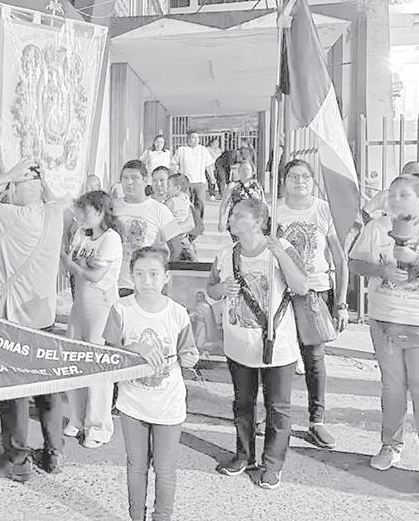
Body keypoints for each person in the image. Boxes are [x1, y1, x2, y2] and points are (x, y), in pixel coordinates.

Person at [0, 159, 64, 482]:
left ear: (16, 189)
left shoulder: (11, 217)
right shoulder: (55, 214)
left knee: (15, 392)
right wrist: (37, 180)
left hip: (14, 320)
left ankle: (19, 459)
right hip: (45, 317)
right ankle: (54, 451)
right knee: (48, 389)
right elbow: (54, 198)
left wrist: (8, 175)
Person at [207, 199, 308, 489]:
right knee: (243, 403)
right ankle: (244, 455)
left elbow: (301, 286)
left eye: (239, 215)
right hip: (239, 345)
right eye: (232, 214)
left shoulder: (281, 248)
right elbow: (211, 289)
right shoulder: (226, 254)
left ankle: (272, 464)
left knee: (278, 407)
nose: (231, 218)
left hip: (277, 344)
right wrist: (221, 289)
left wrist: (281, 254)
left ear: (258, 221)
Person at [104, 246, 198, 521]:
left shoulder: (178, 313)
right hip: (132, 404)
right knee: (136, 466)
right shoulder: (121, 309)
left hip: (168, 404)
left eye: (154, 274)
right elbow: (109, 354)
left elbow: (188, 351)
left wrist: (190, 357)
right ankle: (136, 516)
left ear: (166, 277)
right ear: (131, 276)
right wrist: (135, 348)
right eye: (139, 274)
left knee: (165, 469)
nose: (146, 281)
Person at [277, 159, 349, 449]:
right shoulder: (274, 210)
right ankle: (275, 415)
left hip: (315, 293)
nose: (300, 181)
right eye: (294, 176)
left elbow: (340, 259)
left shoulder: (323, 210)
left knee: (314, 359)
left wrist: (341, 302)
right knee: (278, 357)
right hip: (280, 293)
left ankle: (316, 420)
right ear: (284, 180)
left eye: (305, 176)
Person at [349, 174, 419, 471]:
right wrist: (382, 270)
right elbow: (354, 263)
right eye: (392, 194)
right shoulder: (376, 228)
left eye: (404, 194)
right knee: (393, 386)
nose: (395, 199)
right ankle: (390, 445)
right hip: (385, 319)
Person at [61, 191, 122, 448]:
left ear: (100, 211)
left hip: (102, 305)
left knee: (98, 365)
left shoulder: (111, 238)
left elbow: (96, 276)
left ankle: (98, 426)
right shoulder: (81, 234)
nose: (81, 216)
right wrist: (80, 264)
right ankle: (77, 417)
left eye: (85, 211)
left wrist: (73, 263)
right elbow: (80, 266)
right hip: (80, 303)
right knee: (74, 360)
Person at [113, 160, 181, 297]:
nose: (129, 182)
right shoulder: (112, 207)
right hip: (114, 285)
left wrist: (161, 278)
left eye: (134, 178)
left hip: (145, 288)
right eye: (125, 178)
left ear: (145, 181)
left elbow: (177, 247)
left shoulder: (161, 211)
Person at [172, 131, 214, 224]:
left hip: (199, 181)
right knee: (185, 203)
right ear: (188, 139)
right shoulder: (181, 150)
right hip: (185, 182)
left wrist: (212, 177)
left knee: (200, 203)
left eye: (197, 138)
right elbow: (173, 164)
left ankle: (198, 223)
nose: (195, 140)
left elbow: (208, 165)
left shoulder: (203, 150)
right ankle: (186, 223)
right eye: (193, 137)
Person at [218, 160, 265, 233]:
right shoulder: (233, 186)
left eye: (248, 170)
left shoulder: (257, 186)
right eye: (243, 170)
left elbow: (263, 203)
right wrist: (221, 220)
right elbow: (224, 203)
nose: (245, 172)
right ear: (239, 172)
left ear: (253, 172)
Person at [165, 174, 196, 261]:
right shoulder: (186, 198)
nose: (166, 188)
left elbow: (164, 217)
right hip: (183, 235)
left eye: (169, 186)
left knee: (174, 255)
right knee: (189, 252)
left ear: (178, 188)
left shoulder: (172, 201)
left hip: (173, 236)